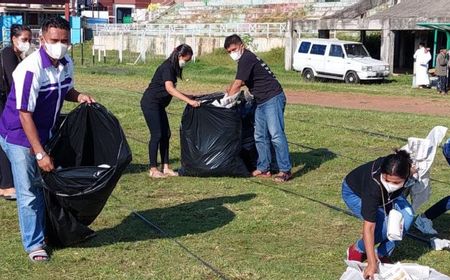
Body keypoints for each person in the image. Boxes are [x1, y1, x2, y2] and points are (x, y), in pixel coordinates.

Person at [0, 16, 95, 262]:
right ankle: (34, 244)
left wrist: (79, 95)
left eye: (64, 40)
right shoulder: (30, 69)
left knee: (46, 186)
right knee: (29, 191)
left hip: (45, 132)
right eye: (54, 40)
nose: (60, 45)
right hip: (20, 135)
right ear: (42, 39)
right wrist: (39, 152)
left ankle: (52, 231)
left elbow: (65, 89)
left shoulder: (66, 64)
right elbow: (24, 114)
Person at [223, 34, 292, 182]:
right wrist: (229, 92)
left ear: (241, 45)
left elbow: (237, 83)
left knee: (276, 135)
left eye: (233, 49)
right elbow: (240, 82)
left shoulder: (246, 58)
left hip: (273, 98)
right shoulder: (245, 60)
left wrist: (226, 101)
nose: (232, 54)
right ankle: (264, 168)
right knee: (260, 135)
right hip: (260, 101)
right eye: (229, 52)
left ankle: (285, 170)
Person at [342, 150, 414, 279]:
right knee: (383, 227)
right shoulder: (373, 187)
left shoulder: (407, 168)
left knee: (407, 218)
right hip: (355, 193)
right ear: (382, 173)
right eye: (387, 180)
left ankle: (381, 254)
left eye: (396, 182)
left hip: (390, 197)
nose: (391, 185)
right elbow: (369, 227)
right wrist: (371, 264)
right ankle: (357, 249)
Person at [140, 44, 200, 178]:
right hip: (151, 103)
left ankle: (166, 167)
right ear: (179, 56)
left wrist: (187, 95)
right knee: (157, 135)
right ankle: (153, 169)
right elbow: (169, 89)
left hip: (159, 105)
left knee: (166, 134)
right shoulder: (167, 67)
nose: (185, 63)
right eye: (186, 60)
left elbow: (170, 89)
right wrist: (189, 101)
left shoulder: (172, 67)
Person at [0, 24, 32, 200]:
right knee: (5, 140)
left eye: (29, 39)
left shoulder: (18, 55)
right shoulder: (8, 53)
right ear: (14, 39)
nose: (27, 43)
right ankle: (6, 185)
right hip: (2, 100)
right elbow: (15, 82)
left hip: (6, 100)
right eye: (24, 39)